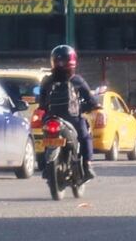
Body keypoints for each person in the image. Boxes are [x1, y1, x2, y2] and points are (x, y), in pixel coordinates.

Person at [38, 45, 99, 181]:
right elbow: (90, 98)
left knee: (46, 139)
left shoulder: (47, 80)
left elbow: (41, 101)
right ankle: (88, 165)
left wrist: (44, 108)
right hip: (72, 119)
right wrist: (95, 105)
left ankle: (44, 165)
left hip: (51, 118)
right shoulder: (76, 80)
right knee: (85, 137)